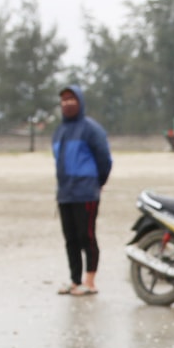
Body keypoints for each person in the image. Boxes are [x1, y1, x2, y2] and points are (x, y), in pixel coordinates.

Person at [51, 84, 111, 296]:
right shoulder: (60, 131)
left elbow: (104, 159)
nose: (67, 103)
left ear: (80, 101)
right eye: (64, 100)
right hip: (65, 193)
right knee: (70, 239)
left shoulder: (91, 129)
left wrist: (98, 183)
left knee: (87, 236)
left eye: (71, 99)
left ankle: (90, 280)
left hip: (86, 192)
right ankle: (74, 280)